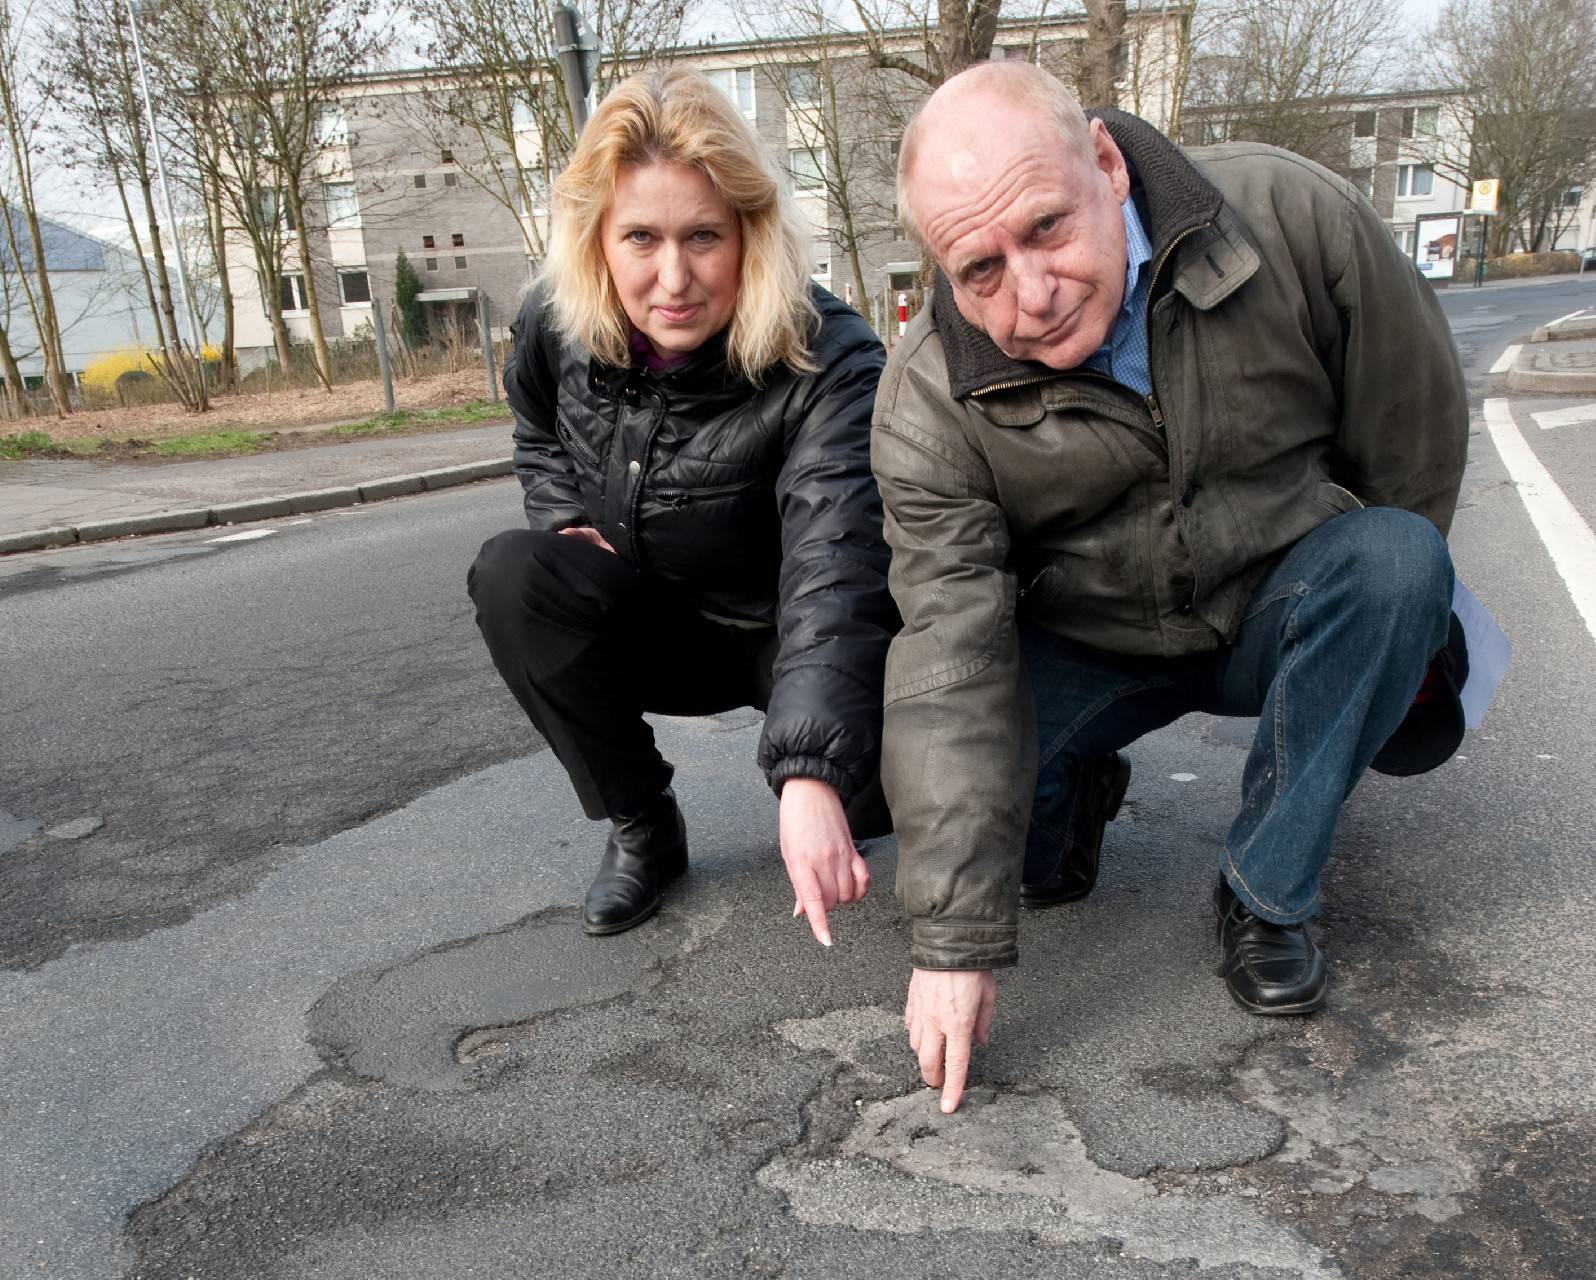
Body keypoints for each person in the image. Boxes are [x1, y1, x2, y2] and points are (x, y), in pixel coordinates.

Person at [872, 62, 1468, 1113]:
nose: (1033, 292)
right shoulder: (927, 394)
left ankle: (1264, 887)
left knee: (1397, 561)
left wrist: (1403, 645)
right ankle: (1076, 793)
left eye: (1048, 227)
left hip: (1273, 598)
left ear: (1105, 162)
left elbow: (1407, 444)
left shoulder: (1293, 217)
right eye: (980, 270)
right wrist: (954, 942)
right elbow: (950, 653)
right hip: (1086, 637)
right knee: (1015, 854)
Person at [469, 68, 895, 942]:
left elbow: (837, 562)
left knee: (889, 800)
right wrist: (560, 516)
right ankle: (644, 827)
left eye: (704, 236)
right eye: (640, 238)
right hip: (656, 616)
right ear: (598, 239)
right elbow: (536, 425)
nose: (674, 278)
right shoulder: (555, 318)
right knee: (512, 575)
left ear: (750, 230)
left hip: (788, 632)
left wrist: (811, 774)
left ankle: (1062, 781)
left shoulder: (831, 360)